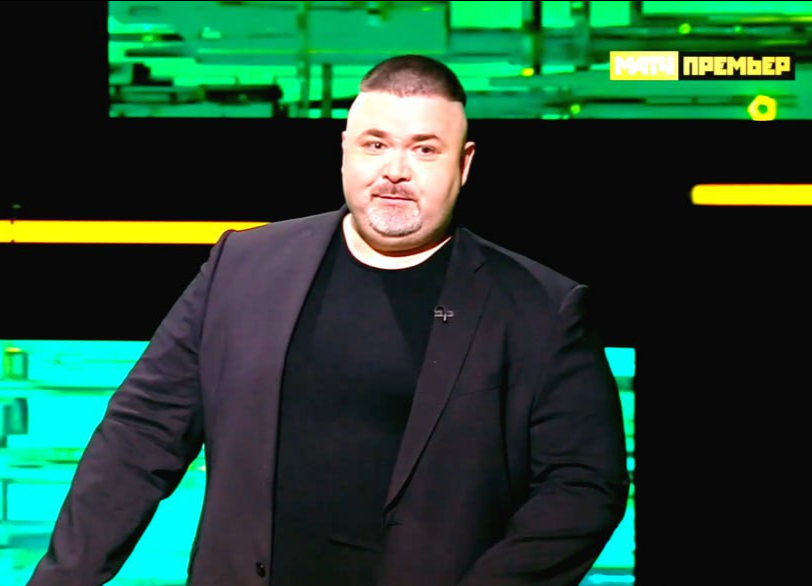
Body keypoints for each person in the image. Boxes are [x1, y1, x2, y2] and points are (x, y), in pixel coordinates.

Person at [27, 54, 629, 586]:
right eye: (375, 144)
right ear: (344, 148)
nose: (395, 170)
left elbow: (583, 487)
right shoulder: (244, 266)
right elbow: (140, 435)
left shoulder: (541, 307)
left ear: (464, 163)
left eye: (424, 149)